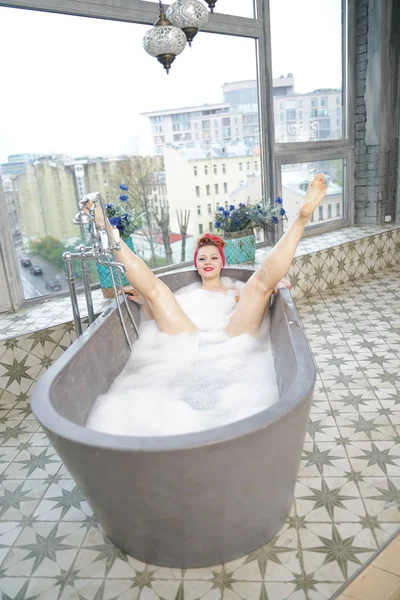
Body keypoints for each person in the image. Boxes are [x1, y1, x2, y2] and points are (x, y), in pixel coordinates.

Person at [92, 174, 327, 337]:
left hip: (230, 336)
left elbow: (259, 293)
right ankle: (109, 234)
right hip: (188, 337)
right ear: (195, 264)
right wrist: (142, 298)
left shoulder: (233, 291)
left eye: (214, 258)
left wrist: (275, 281)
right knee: (155, 290)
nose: (207, 262)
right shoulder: (187, 295)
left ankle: (301, 218)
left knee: (260, 282)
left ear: (222, 263)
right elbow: (158, 307)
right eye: (202, 258)